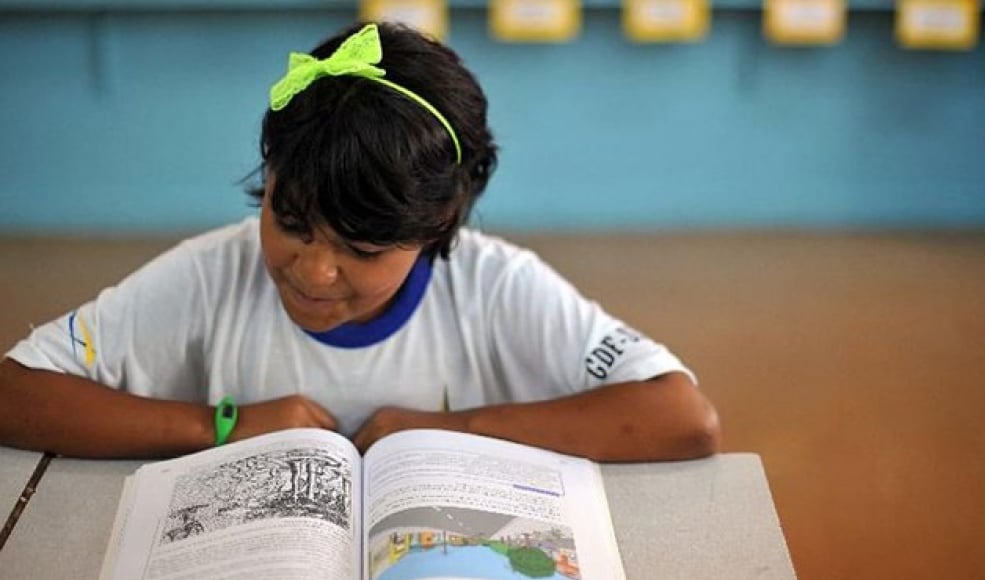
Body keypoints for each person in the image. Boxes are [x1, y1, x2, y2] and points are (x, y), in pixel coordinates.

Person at [0, 21, 719, 461]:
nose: (313, 271)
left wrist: (451, 428)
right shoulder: (210, 276)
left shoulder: (493, 286)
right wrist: (218, 426)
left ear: (435, 226)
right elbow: (13, 394)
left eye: (363, 250)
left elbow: (682, 419)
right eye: (289, 222)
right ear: (269, 178)